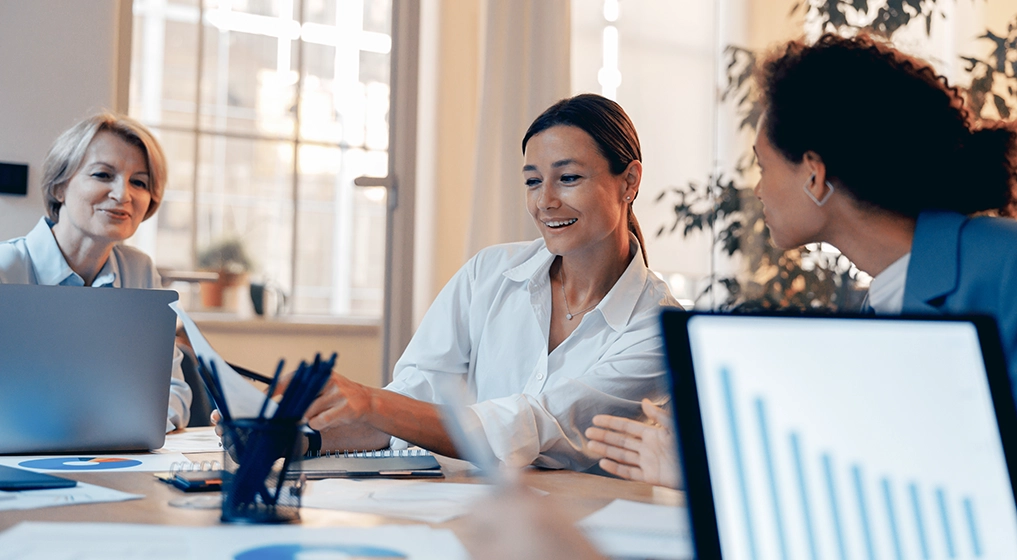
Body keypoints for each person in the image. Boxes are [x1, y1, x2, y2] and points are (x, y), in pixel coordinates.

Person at [586, 32, 1017, 489]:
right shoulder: (884, 299)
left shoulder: (1003, 268)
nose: (757, 190)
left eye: (763, 166)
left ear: (814, 174)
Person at [289, 93, 678, 470]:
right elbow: (412, 399)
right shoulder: (488, 273)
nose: (545, 201)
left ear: (629, 182)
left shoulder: (660, 331)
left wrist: (371, 401)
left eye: (569, 177)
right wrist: (299, 438)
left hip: (584, 529)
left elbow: (537, 427)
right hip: (476, 517)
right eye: (532, 181)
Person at [0, 112, 192, 431]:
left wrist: (110, 429)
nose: (123, 194)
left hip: (116, 459)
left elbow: (172, 393)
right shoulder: (6, 270)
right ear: (59, 187)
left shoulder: (140, 271)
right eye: (103, 175)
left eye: (139, 182)